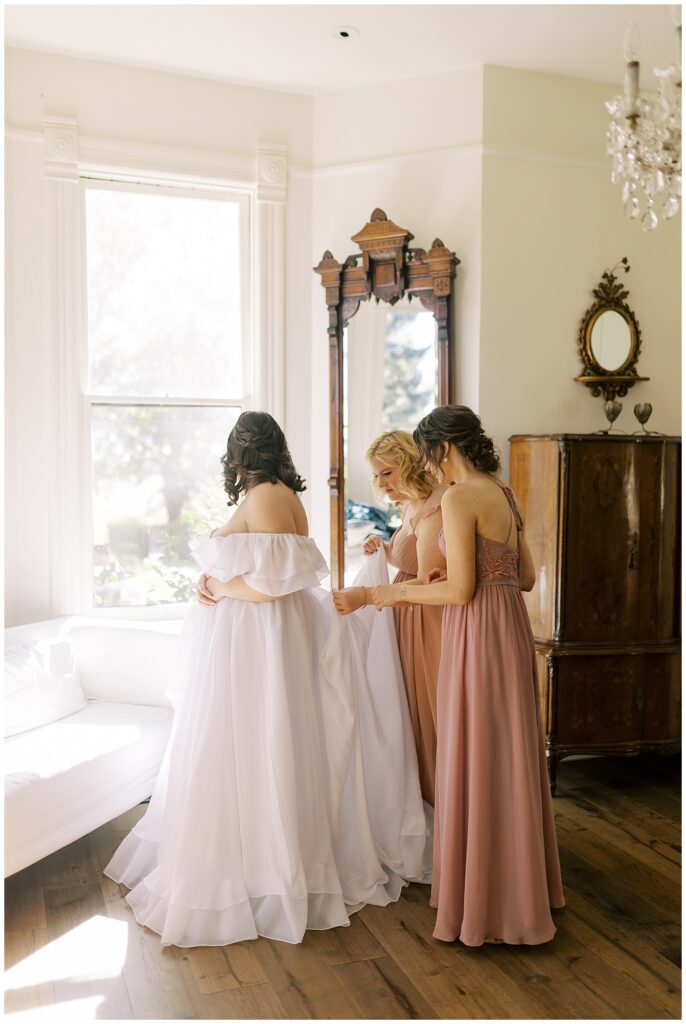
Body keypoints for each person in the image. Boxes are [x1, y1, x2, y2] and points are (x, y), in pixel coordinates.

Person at [104, 411, 428, 947]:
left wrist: (220, 587)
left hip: (262, 642)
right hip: (259, 640)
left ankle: (261, 873)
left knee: (255, 746)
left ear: (240, 452)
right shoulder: (271, 494)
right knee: (254, 747)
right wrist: (213, 583)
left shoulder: (267, 498)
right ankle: (260, 860)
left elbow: (276, 586)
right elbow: (262, 572)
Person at [369, 405, 565, 946]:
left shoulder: (457, 496)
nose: (430, 470)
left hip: (474, 635)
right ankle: (527, 892)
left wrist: (394, 590)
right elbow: (522, 576)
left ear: (443, 450)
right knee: (509, 755)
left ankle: (483, 904)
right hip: (510, 631)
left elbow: (458, 592)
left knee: (475, 756)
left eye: (429, 458)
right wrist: (450, 573)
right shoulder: (503, 493)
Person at [333, 430, 446, 806]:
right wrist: (386, 550)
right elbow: (411, 562)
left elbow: (429, 578)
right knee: (408, 715)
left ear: (410, 464)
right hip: (403, 613)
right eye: (376, 476)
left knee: (427, 713)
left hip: (424, 619)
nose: (381, 485)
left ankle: (439, 803)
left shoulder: (434, 508)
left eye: (387, 473)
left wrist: (367, 596)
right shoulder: (410, 506)